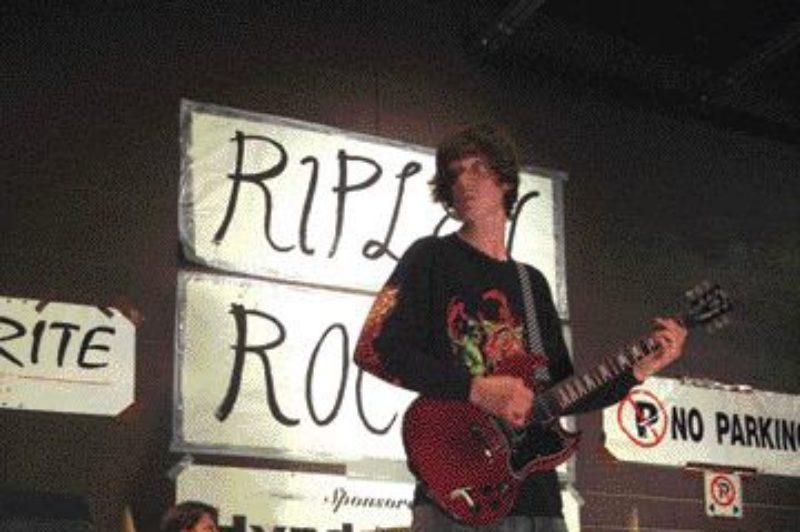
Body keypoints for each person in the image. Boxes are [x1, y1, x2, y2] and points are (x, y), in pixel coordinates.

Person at [353, 123, 687, 531]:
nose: (465, 181)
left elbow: (562, 391)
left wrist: (636, 372)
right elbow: (373, 348)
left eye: (478, 168)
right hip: (456, 492)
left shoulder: (532, 284)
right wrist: (475, 389)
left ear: (505, 180)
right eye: (454, 173)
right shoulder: (431, 258)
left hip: (536, 499)